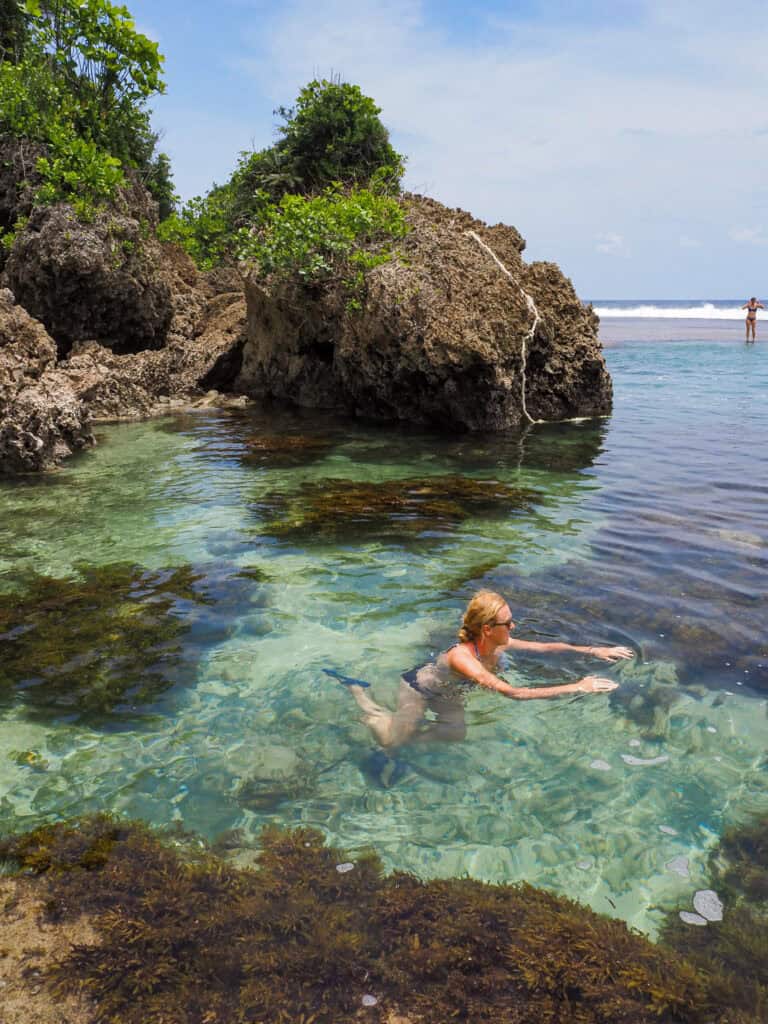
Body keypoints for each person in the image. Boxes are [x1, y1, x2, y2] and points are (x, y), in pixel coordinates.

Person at [334, 590, 634, 750]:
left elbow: (545, 647)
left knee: (455, 734)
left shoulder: (498, 644)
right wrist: (578, 686)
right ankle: (362, 698)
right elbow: (513, 693)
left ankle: (403, 729)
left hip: (450, 691)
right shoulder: (463, 658)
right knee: (391, 742)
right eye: (508, 623)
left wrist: (594, 650)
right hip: (420, 688)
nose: (513, 626)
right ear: (488, 629)